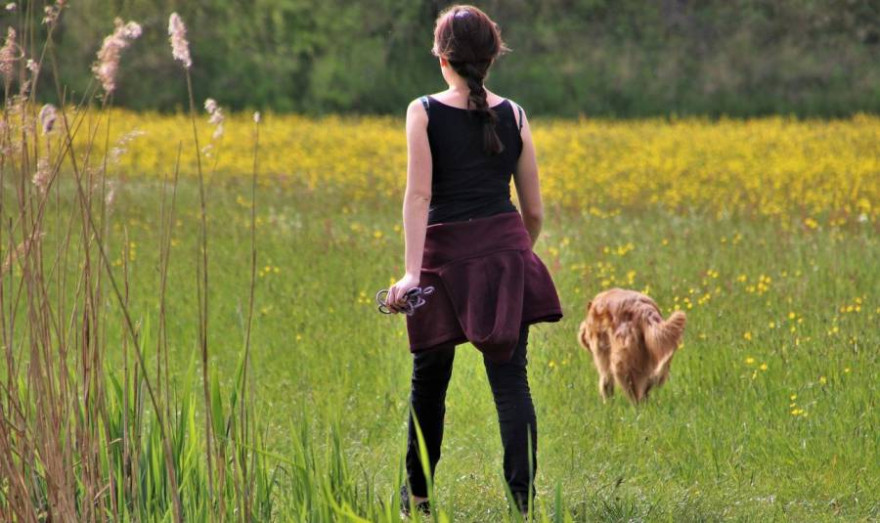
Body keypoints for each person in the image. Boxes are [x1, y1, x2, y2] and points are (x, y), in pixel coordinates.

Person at [384, 4, 562, 517]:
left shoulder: (423, 111)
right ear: (490, 58)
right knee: (511, 382)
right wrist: (512, 254)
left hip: (441, 261)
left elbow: (419, 197)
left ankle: (417, 501)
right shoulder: (516, 115)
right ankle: (522, 506)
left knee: (429, 382)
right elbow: (533, 211)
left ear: (442, 56)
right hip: (505, 252)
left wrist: (413, 273)